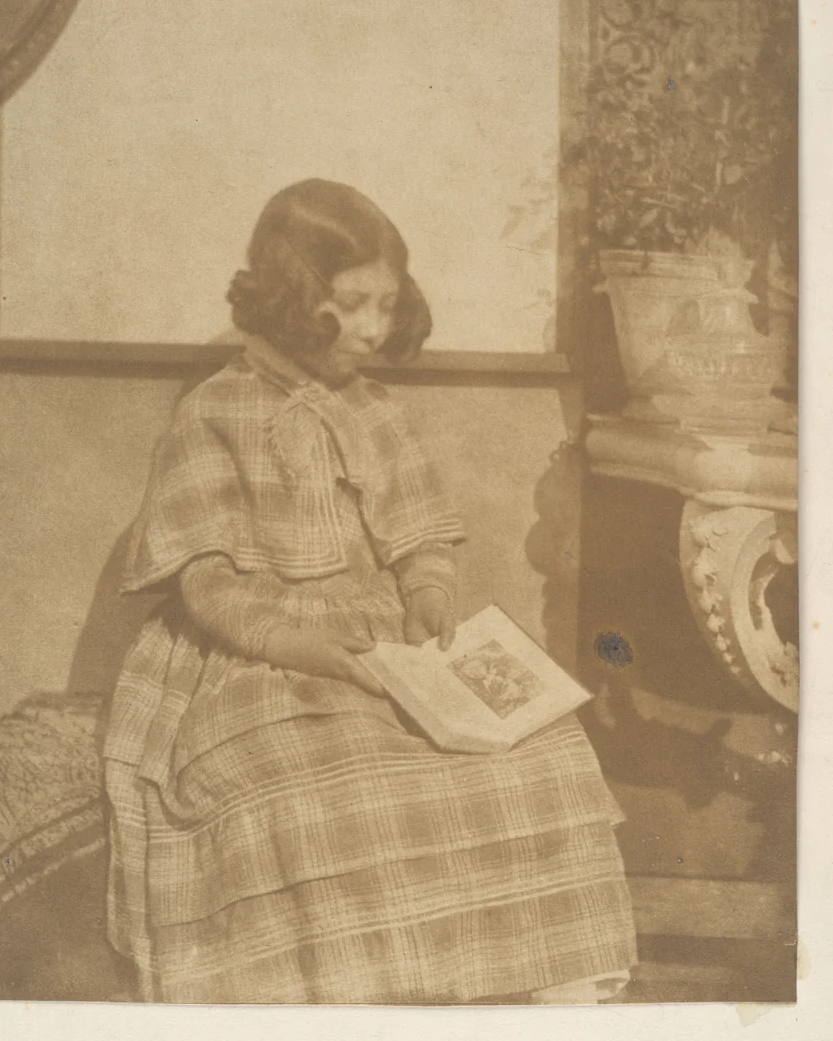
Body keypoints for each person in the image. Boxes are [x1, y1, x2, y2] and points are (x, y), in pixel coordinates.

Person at [103, 178, 638, 1004]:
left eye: (386, 304)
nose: (374, 328)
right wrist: (300, 646)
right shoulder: (214, 413)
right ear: (289, 296)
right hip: (260, 649)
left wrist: (427, 593)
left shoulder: (374, 410)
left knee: (538, 752)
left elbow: (421, 536)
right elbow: (205, 585)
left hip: (387, 640)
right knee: (330, 781)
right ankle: (357, 991)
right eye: (351, 304)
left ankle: (542, 986)